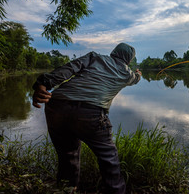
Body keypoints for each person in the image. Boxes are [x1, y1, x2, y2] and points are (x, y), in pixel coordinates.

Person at [32, 43, 142, 194]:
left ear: (113, 52)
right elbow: (136, 79)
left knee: (67, 154)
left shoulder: (94, 57)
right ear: (129, 60)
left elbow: (69, 68)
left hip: (56, 106)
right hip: (91, 113)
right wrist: (138, 74)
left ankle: (66, 188)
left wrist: (43, 84)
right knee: (108, 158)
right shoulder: (128, 74)